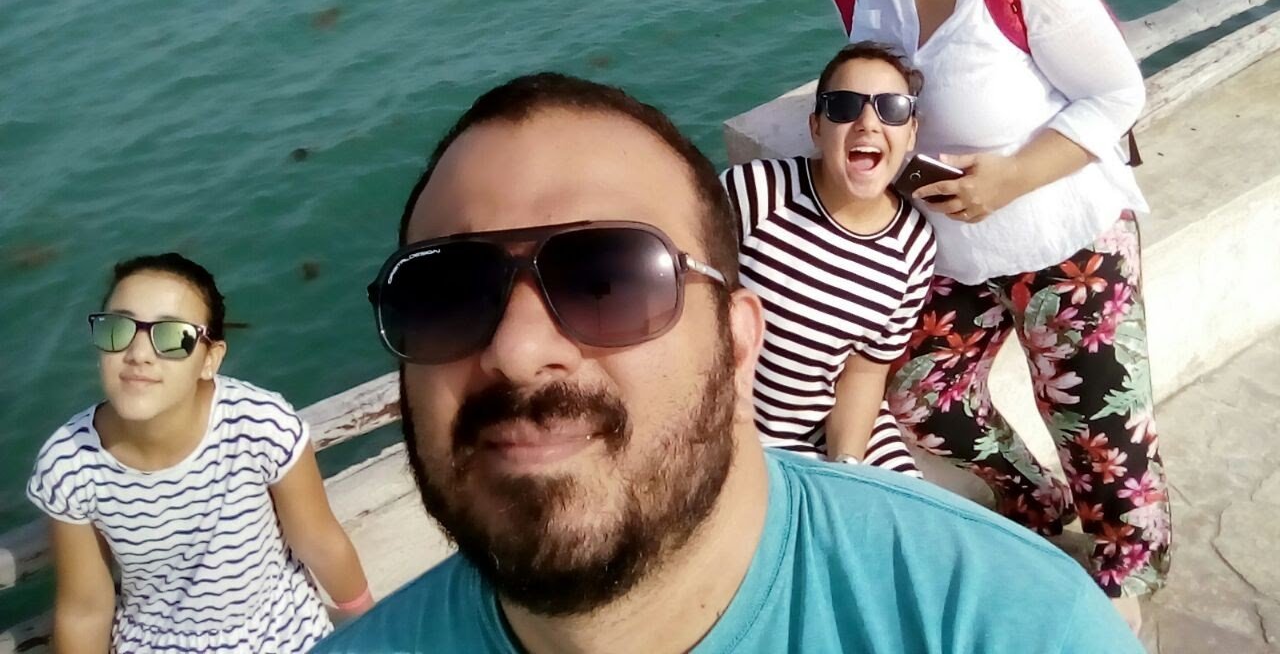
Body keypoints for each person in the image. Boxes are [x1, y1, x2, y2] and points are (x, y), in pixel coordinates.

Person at [315, 71, 1141, 653]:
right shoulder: (761, 193)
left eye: (609, 279)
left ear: (739, 340)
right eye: (446, 293)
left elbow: (866, 371)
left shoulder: (1008, 625)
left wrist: (848, 455)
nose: (517, 350)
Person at [827, 0, 1171, 629]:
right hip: (953, 248)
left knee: (1099, 432)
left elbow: (1118, 93)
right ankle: (1036, 505)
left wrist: (1012, 177)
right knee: (918, 390)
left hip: (1070, 241)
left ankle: (1127, 577)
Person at [27, 253, 373, 653]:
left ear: (210, 359)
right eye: (118, 328)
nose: (138, 353)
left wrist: (374, 625)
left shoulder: (258, 424)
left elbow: (319, 541)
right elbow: (85, 609)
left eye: (172, 337)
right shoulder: (70, 464)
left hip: (284, 634)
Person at [721, 42, 934, 474]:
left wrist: (846, 467)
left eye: (892, 108)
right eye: (844, 106)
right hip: (731, 427)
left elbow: (864, 372)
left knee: (907, 511)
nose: (868, 123)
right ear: (817, 127)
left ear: (911, 132)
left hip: (837, 428)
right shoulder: (755, 193)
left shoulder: (914, 246)